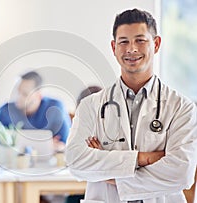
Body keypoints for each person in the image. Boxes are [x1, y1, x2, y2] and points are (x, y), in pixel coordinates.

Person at [65, 8, 197, 203]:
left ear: (156, 44)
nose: (131, 49)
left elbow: (181, 172)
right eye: (123, 42)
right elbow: (76, 162)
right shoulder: (91, 105)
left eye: (140, 40)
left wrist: (108, 170)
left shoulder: (182, 108)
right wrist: (143, 158)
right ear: (114, 47)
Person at [0, 71, 71, 151]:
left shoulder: (55, 108)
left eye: (25, 94)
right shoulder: (5, 111)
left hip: (48, 162)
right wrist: (47, 145)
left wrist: (58, 146)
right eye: (18, 92)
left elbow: (65, 144)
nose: (18, 97)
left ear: (38, 95)